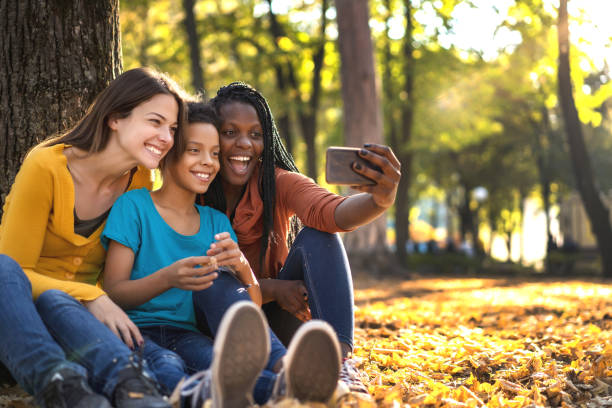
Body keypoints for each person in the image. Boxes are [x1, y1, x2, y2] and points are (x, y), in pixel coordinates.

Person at [98, 101, 341, 406]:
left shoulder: (215, 221)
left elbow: (245, 307)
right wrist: (168, 278)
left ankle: (290, 381)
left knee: (222, 367)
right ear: (167, 153)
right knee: (168, 368)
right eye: (194, 150)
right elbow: (114, 292)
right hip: (135, 332)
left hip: (188, 334)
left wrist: (241, 266)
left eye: (214, 153)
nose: (208, 162)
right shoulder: (133, 207)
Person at [0, 67, 188, 408]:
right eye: (156, 122)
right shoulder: (46, 166)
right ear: (115, 118)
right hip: (20, 324)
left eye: (173, 128)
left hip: (81, 323)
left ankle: (150, 395)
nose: (167, 138)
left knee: (165, 361)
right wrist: (91, 296)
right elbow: (13, 271)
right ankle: (61, 388)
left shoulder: (140, 180)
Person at [202, 82, 401, 395]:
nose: (245, 144)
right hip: (216, 321)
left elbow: (332, 212)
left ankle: (340, 364)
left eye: (256, 134)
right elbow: (202, 280)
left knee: (319, 237)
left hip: (279, 320)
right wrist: (273, 288)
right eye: (230, 133)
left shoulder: (276, 182)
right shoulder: (194, 188)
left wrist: (380, 201)